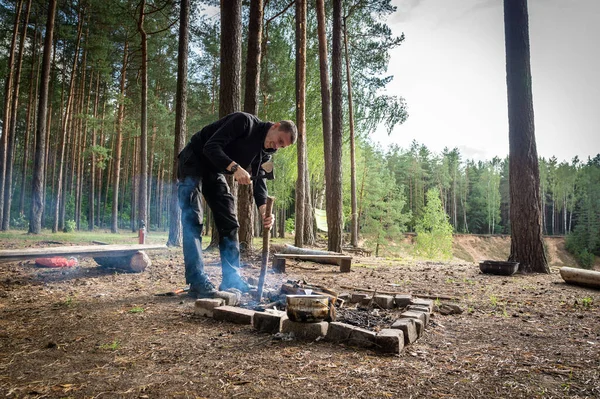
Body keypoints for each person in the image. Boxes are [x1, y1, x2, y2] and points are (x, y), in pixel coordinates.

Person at [177, 112, 297, 298]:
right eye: (279, 140)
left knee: (229, 222)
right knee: (193, 220)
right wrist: (235, 168)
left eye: (282, 146)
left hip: (213, 171)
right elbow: (211, 147)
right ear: (275, 125)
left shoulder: (264, 153)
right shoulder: (244, 122)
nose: (277, 146)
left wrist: (264, 210)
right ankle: (197, 281)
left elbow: (260, 182)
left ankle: (231, 280)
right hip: (194, 159)